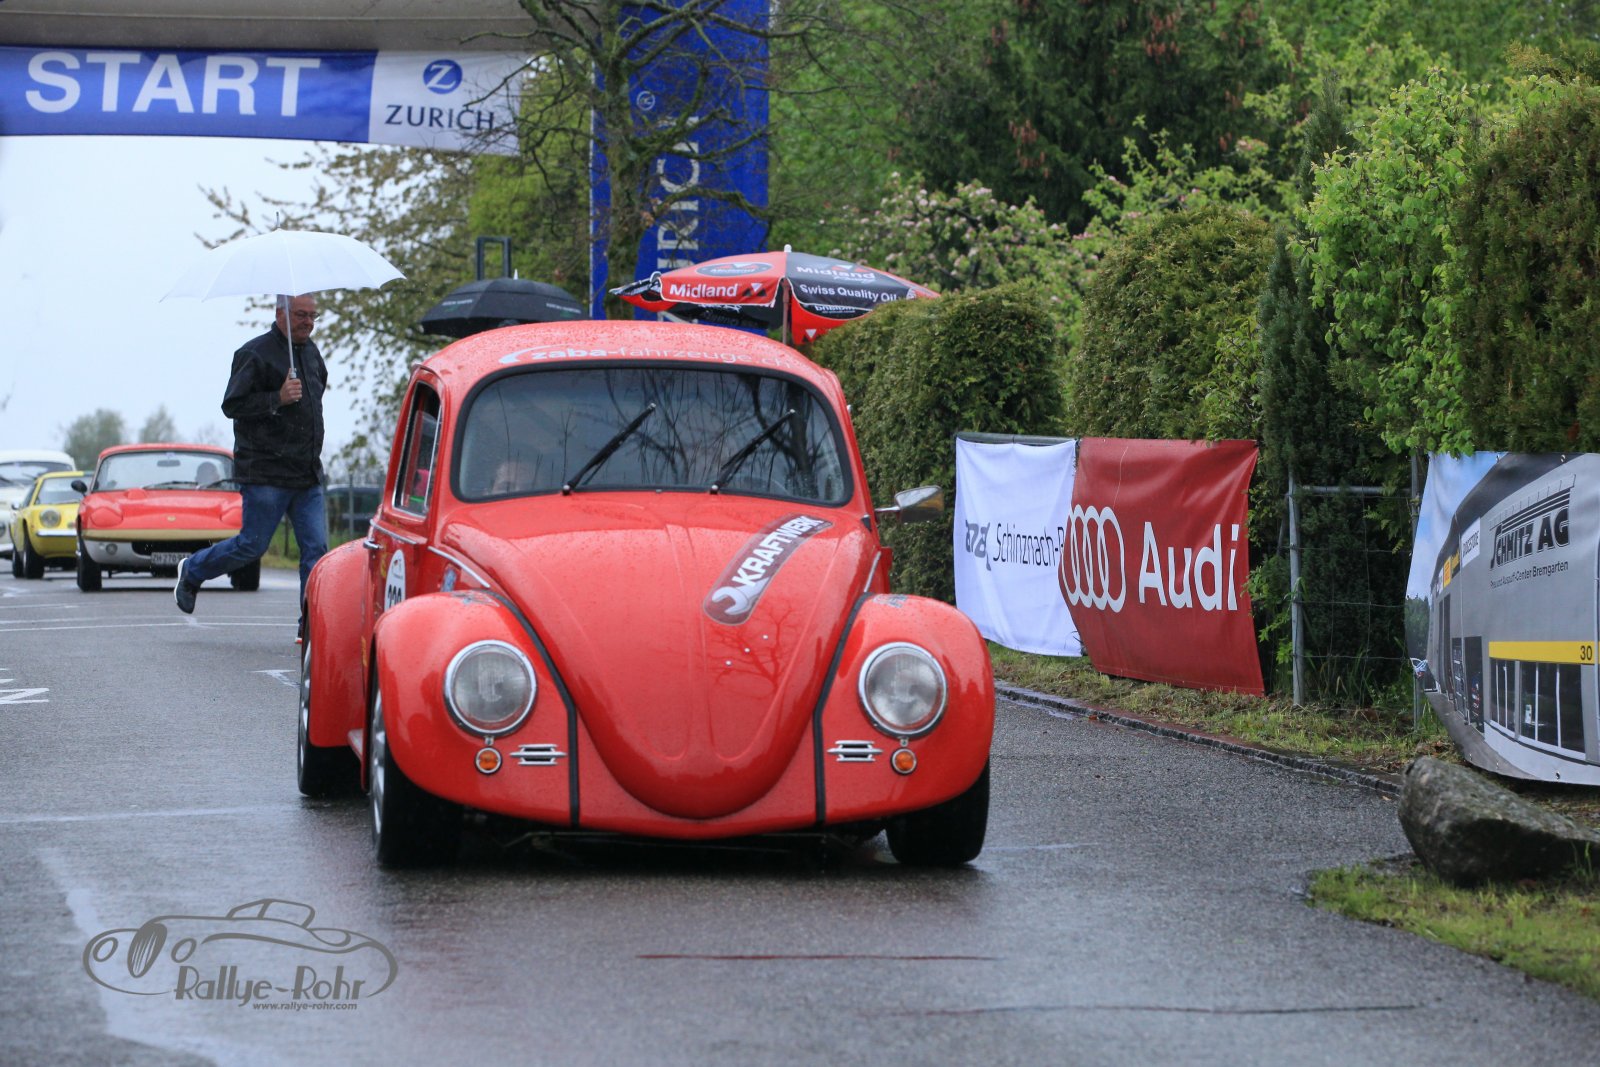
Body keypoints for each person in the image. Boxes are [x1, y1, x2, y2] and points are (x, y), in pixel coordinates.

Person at [174, 294, 328, 626]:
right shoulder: (254, 353)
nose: (308, 322)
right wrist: (277, 398)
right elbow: (233, 405)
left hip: (307, 474)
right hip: (266, 473)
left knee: (317, 551)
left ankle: (310, 625)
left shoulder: (312, 354)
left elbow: (316, 398)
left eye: (313, 316)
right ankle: (193, 570)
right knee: (252, 547)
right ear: (280, 313)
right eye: (301, 315)